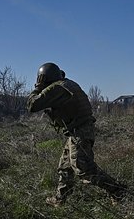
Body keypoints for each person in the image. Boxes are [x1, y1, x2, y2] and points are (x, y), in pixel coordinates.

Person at [27, 62, 126, 207]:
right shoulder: (68, 84)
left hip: (80, 131)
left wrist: (38, 88)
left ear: (44, 78)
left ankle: (118, 190)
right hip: (78, 130)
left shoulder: (56, 88)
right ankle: (60, 199)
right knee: (65, 167)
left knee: (83, 168)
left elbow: (32, 105)